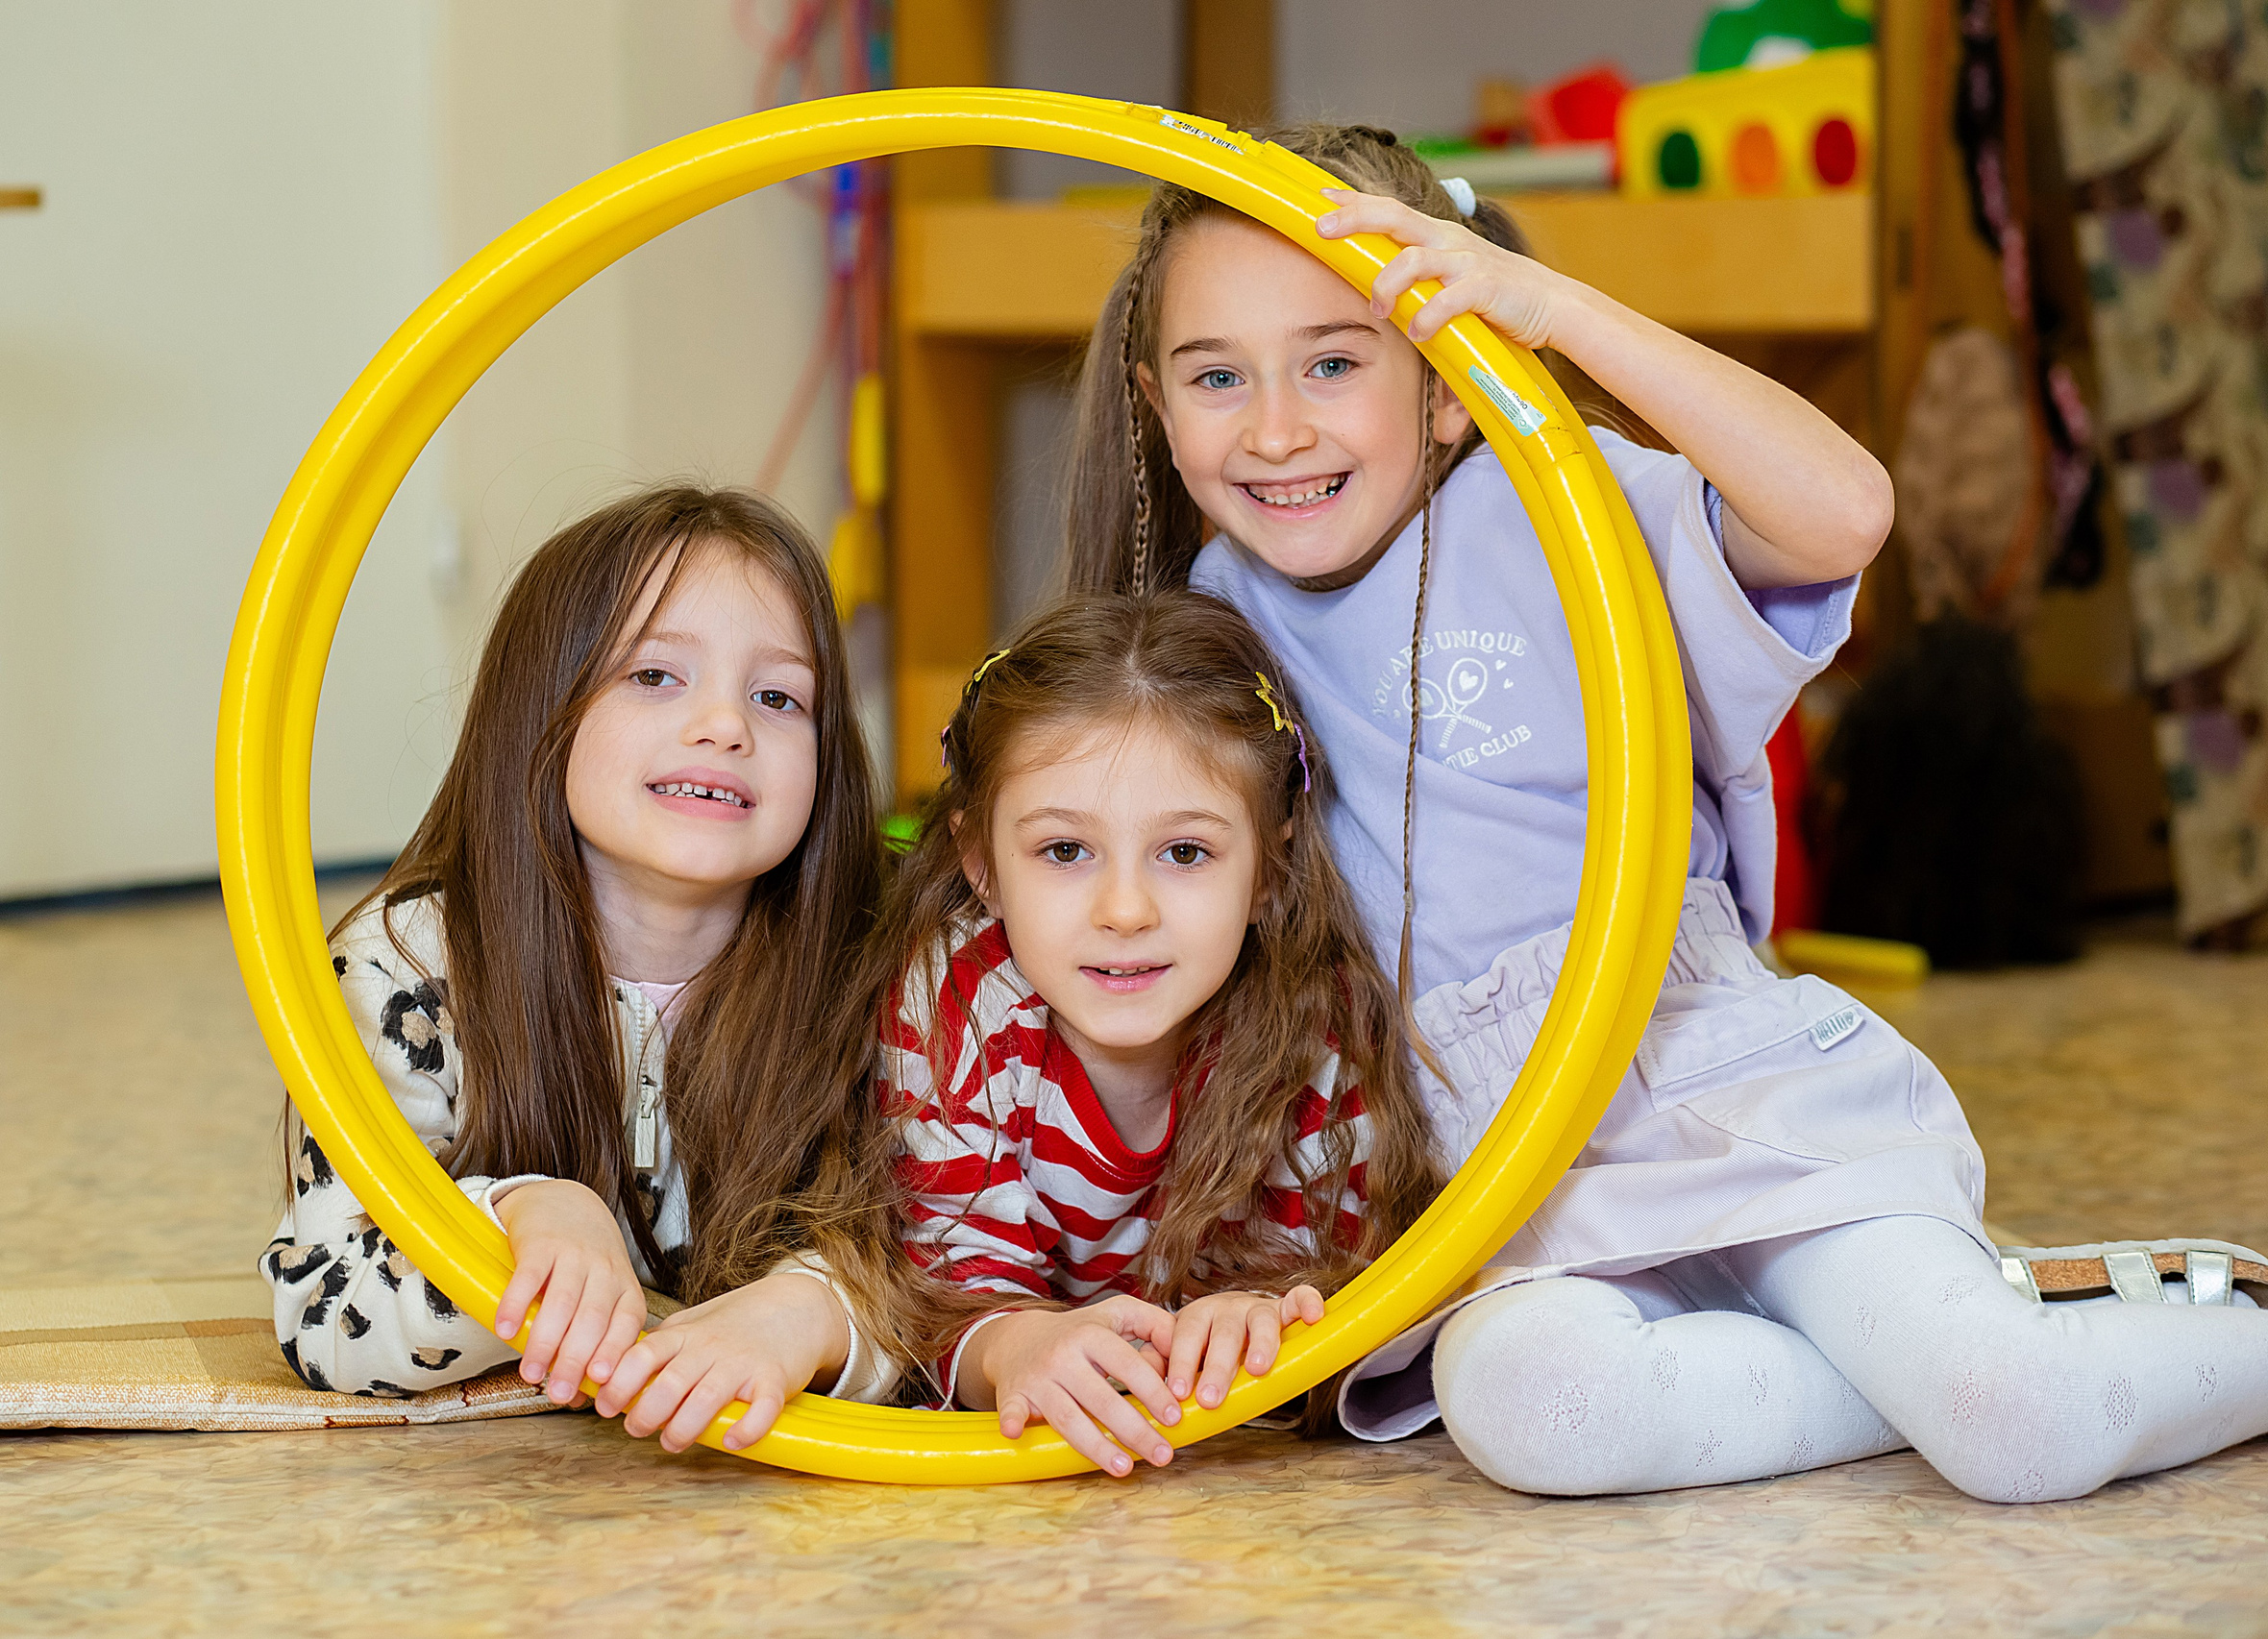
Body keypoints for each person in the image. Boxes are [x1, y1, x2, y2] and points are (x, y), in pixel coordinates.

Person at [1061, 121, 2268, 1503]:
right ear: (1158, 404)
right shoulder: (1189, 638)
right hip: (1489, 1180)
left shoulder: (1559, 504)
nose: (1276, 428)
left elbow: (1843, 511)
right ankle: (1914, 1365)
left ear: (1445, 387)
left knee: (2018, 1425)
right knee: (1529, 1407)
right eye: (1219, 376)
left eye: (1334, 362)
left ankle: (2042, 1350)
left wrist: (1547, 314)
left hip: (1703, 1082)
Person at [262, 484, 901, 1453]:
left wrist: (810, 1313)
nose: (725, 724)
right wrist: (517, 1221)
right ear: (543, 712)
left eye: (778, 697)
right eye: (655, 675)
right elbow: (325, 1307)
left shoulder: (884, 963)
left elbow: (967, 1273)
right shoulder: (405, 966)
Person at [875, 591, 1445, 1478]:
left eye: (1185, 852)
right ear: (983, 866)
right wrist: (1014, 1346)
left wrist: (1263, 1324)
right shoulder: (956, 1002)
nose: (1125, 911)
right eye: (1065, 851)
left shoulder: (1310, 1025)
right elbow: (946, 1289)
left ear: (1268, 871)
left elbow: (1340, 1297)